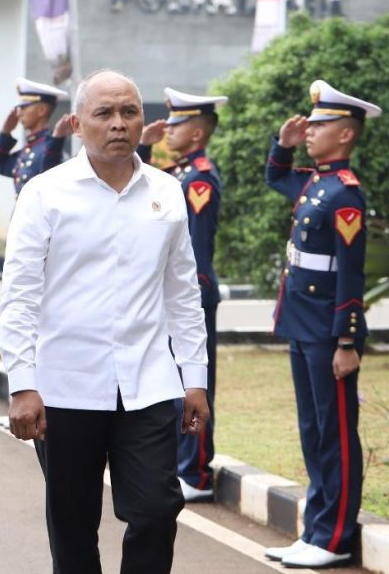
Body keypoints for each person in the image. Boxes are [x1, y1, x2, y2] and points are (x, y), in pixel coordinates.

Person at [0, 69, 210, 574]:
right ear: (77, 124)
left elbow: (182, 293)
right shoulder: (45, 193)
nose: (119, 124)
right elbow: (20, 297)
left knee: (158, 509)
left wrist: (195, 378)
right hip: (66, 388)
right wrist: (22, 384)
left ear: (143, 121)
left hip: (149, 382)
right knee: (72, 522)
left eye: (129, 112)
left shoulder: (168, 192)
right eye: (104, 113)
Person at [263, 79, 380, 568]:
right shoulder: (317, 184)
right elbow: (277, 178)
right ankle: (316, 528)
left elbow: (351, 275)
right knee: (313, 430)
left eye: (320, 125)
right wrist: (282, 148)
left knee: (335, 432)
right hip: (302, 324)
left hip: (328, 333)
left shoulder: (345, 196)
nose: (309, 131)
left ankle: (333, 537)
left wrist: (348, 339)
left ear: (346, 135)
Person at [138, 87, 225, 502]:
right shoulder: (177, 173)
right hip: (168, 291)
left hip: (192, 291)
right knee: (173, 377)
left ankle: (196, 468)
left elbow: (197, 246)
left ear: (196, 133)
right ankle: (182, 462)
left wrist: (193, 294)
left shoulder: (200, 179)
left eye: (176, 124)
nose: (167, 130)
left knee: (195, 378)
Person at [0, 77, 72, 193]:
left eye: (24, 107)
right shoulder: (29, 149)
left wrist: (56, 140)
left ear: (41, 110)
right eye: (18, 108)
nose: (19, 113)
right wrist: (5, 132)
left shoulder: (50, 149)